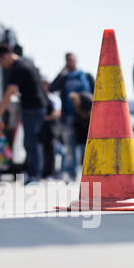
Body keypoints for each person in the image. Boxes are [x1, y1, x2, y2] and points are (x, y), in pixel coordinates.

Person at [0, 44, 46, 183]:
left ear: (5, 56)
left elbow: (6, 97)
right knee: (30, 142)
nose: (2, 65)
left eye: (1, 61)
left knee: (31, 142)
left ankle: (35, 175)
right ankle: (34, 174)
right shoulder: (25, 63)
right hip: (35, 107)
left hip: (33, 109)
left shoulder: (19, 68)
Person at [49, 53, 95, 181]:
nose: (70, 62)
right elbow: (52, 88)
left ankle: (90, 174)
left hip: (85, 118)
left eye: (72, 60)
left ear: (76, 60)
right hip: (68, 117)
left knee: (88, 146)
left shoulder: (86, 76)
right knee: (70, 146)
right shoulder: (64, 78)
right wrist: (61, 72)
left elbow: (97, 92)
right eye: (68, 60)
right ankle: (71, 174)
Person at [39, 80, 62, 179]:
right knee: (39, 150)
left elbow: (57, 113)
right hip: (40, 127)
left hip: (51, 127)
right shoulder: (38, 98)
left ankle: (50, 172)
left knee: (50, 150)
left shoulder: (54, 98)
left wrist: (45, 117)